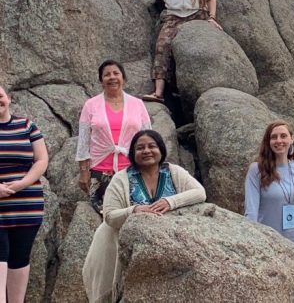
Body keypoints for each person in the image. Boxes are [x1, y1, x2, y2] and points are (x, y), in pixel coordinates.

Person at [82, 129, 206, 302]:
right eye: (140, 148)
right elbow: (109, 216)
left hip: (166, 242)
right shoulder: (121, 178)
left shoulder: (173, 171)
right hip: (117, 244)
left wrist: (171, 202)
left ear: (161, 149)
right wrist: (134, 210)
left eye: (152, 146)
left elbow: (200, 192)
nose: (146, 151)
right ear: (133, 153)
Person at [76, 60, 151, 214]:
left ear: (123, 78)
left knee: (135, 215)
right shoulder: (91, 105)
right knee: (106, 216)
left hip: (133, 170)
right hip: (100, 171)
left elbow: (148, 136)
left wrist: (150, 167)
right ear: (101, 80)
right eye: (107, 75)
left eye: (116, 73)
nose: (112, 77)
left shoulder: (137, 104)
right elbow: (83, 140)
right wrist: (84, 171)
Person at [0, 85, 49, 303]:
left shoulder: (28, 126)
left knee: (20, 258)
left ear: (8, 98)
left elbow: (41, 160)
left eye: (0, 96)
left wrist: (20, 184)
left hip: (26, 206)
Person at [244, 120, 294, 245]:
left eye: (283, 136)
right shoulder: (256, 170)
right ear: (268, 142)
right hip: (272, 246)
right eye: (274, 137)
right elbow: (251, 212)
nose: (279, 141)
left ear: (292, 139)